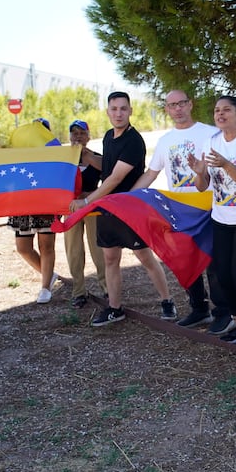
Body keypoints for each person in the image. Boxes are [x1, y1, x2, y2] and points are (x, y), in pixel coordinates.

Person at [68, 92, 173, 326]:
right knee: (110, 258)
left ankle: (167, 300)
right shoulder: (107, 136)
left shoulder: (134, 141)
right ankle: (115, 308)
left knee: (144, 257)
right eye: (114, 109)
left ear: (130, 111)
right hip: (108, 209)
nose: (118, 113)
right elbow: (105, 167)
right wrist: (83, 153)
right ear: (107, 111)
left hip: (129, 208)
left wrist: (87, 202)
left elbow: (115, 178)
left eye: (123, 109)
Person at [132, 90, 230, 334]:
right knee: (187, 259)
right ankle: (199, 308)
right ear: (166, 109)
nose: (177, 109)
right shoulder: (165, 140)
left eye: (181, 103)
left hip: (210, 207)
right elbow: (152, 173)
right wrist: (129, 196)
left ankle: (223, 312)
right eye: (172, 105)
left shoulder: (210, 133)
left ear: (190, 104)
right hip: (180, 210)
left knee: (214, 262)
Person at [189, 95, 236, 349]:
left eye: (226, 110)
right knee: (222, 276)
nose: (220, 114)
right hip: (221, 218)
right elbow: (203, 187)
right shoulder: (211, 142)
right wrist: (200, 173)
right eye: (216, 111)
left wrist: (225, 164)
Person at [7, 117, 59, 304]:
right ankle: (49, 275)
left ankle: (45, 287)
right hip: (21, 205)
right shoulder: (17, 154)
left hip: (46, 204)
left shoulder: (54, 155)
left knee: (46, 246)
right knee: (23, 248)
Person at [63, 119, 107, 308]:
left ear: (88, 137)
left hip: (92, 207)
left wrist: (91, 195)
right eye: (74, 133)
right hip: (70, 208)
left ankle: (107, 288)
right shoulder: (63, 159)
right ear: (70, 136)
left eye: (82, 133)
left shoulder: (96, 157)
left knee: (99, 250)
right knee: (74, 251)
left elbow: (109, 179)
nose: (78, 136)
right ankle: (78, 291)